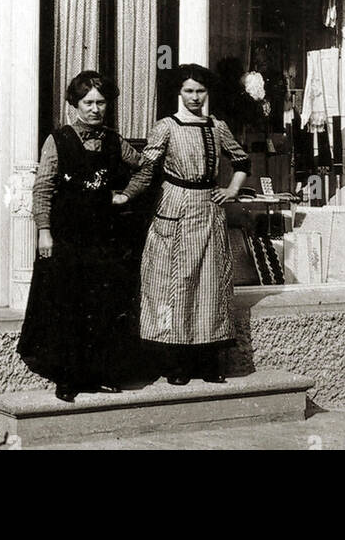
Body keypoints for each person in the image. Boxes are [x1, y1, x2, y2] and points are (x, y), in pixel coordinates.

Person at [122, 63, 251, 385]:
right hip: (174, 210)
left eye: (200, 91)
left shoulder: (216, 127)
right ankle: (176, 364)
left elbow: (241, 161)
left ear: (208, 93)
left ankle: (207, 362)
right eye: (189, 91)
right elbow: (146, 169)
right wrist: (125, 195)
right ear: (179, 93)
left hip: (208, 210)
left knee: (209, 287)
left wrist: (231, 189)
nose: (195, 97)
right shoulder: (166, 127)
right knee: (174, 286)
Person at [17, 71, 142, 402]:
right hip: (66, 237)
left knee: (101, 306)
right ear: (74, 104)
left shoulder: (115, 141)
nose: (95, 109)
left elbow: (144, 167)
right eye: (88, 102)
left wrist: (126, 194)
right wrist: (44, 232)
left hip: (104, 237)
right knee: (66, 307)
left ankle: (98, 374)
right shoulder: (58, 141)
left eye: (101, 102)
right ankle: (67, 378)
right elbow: (43, 187)